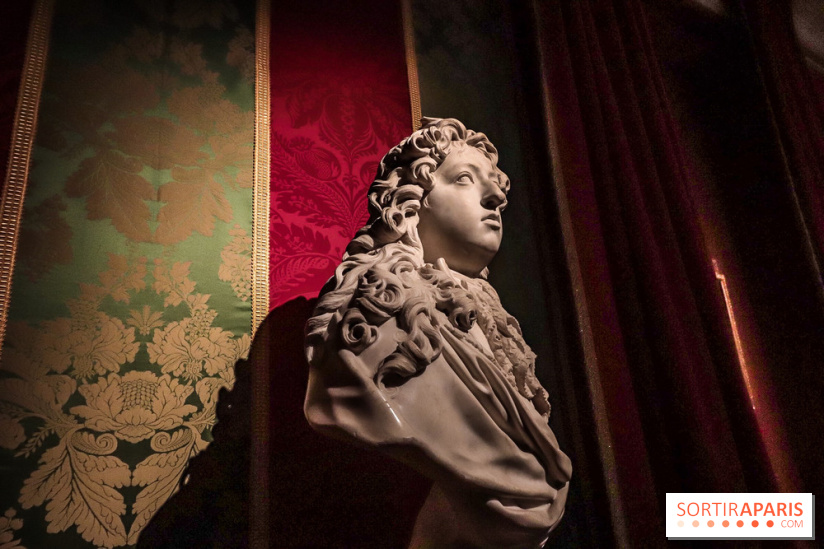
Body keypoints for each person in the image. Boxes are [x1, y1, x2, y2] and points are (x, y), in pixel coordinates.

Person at [304, 117, 571, 548]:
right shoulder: (377, 316)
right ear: (412, 205)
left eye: (496, 187)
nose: (496, 197)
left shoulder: (491, 322)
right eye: (464, 178)